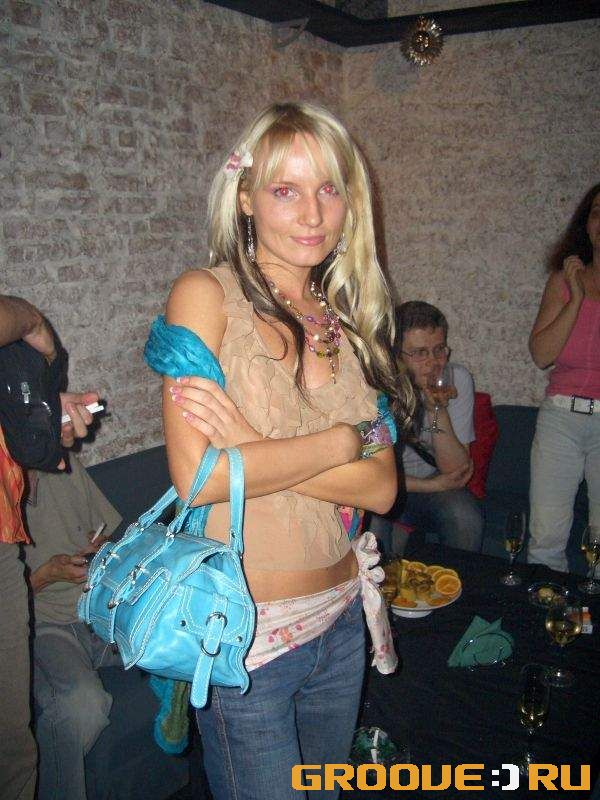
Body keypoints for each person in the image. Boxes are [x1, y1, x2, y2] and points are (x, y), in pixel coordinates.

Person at [148, 101, 413, 800]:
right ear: (245, 197)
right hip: (248, 642)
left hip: (342, 622)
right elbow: (200, 477)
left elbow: (383, 487)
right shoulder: (204, 296)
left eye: (329, 189)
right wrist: (340, 442)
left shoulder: (348, 318)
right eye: (286, 190)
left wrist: (255, 446)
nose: (313, 214)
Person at [0, 294, 98, 800]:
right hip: (51, 624)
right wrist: (31, 319)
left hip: (93, 612)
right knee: (77, 707)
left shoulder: (57, 468)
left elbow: (109, 531)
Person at [23, 455, 122, 800]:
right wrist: (46, 575)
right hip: (42, 622)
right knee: (82, 705)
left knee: (181, 646)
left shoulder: (61, 460)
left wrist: (101, 549)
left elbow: (105, 533)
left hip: (98, 606)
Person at [370, 301, 483, 557]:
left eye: (439, 350)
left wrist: (436, 410)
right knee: (373, 516)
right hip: (386, 484)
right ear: (396, 355)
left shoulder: (455, 379)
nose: (434, 362)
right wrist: (433, 486)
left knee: (465, 517)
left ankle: (455, 583)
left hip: (430, 484)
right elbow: (373, 476)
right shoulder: (378, 386)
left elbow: (456, 471)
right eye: (420, 353)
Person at [527, 183, 600, 572]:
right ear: (586, 224)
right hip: (561, 417)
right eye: (597, 212)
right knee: (546, 537)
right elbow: (541, 355)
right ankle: (544, 605)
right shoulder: (563, 280)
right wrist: (576, 297)